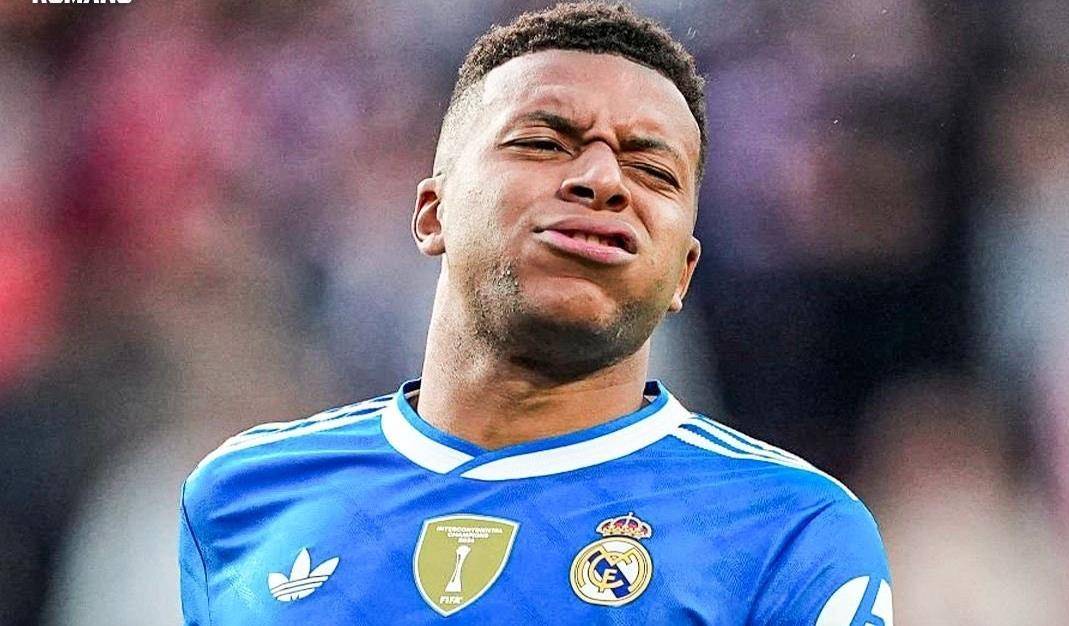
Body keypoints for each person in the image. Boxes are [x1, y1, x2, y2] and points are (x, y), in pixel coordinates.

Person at [179, 3, 892, 624]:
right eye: (544, 144)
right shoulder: (243, 497)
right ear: (432, 213)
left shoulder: (787, 532)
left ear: (683, 272)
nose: (602, 179)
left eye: (652, 170)